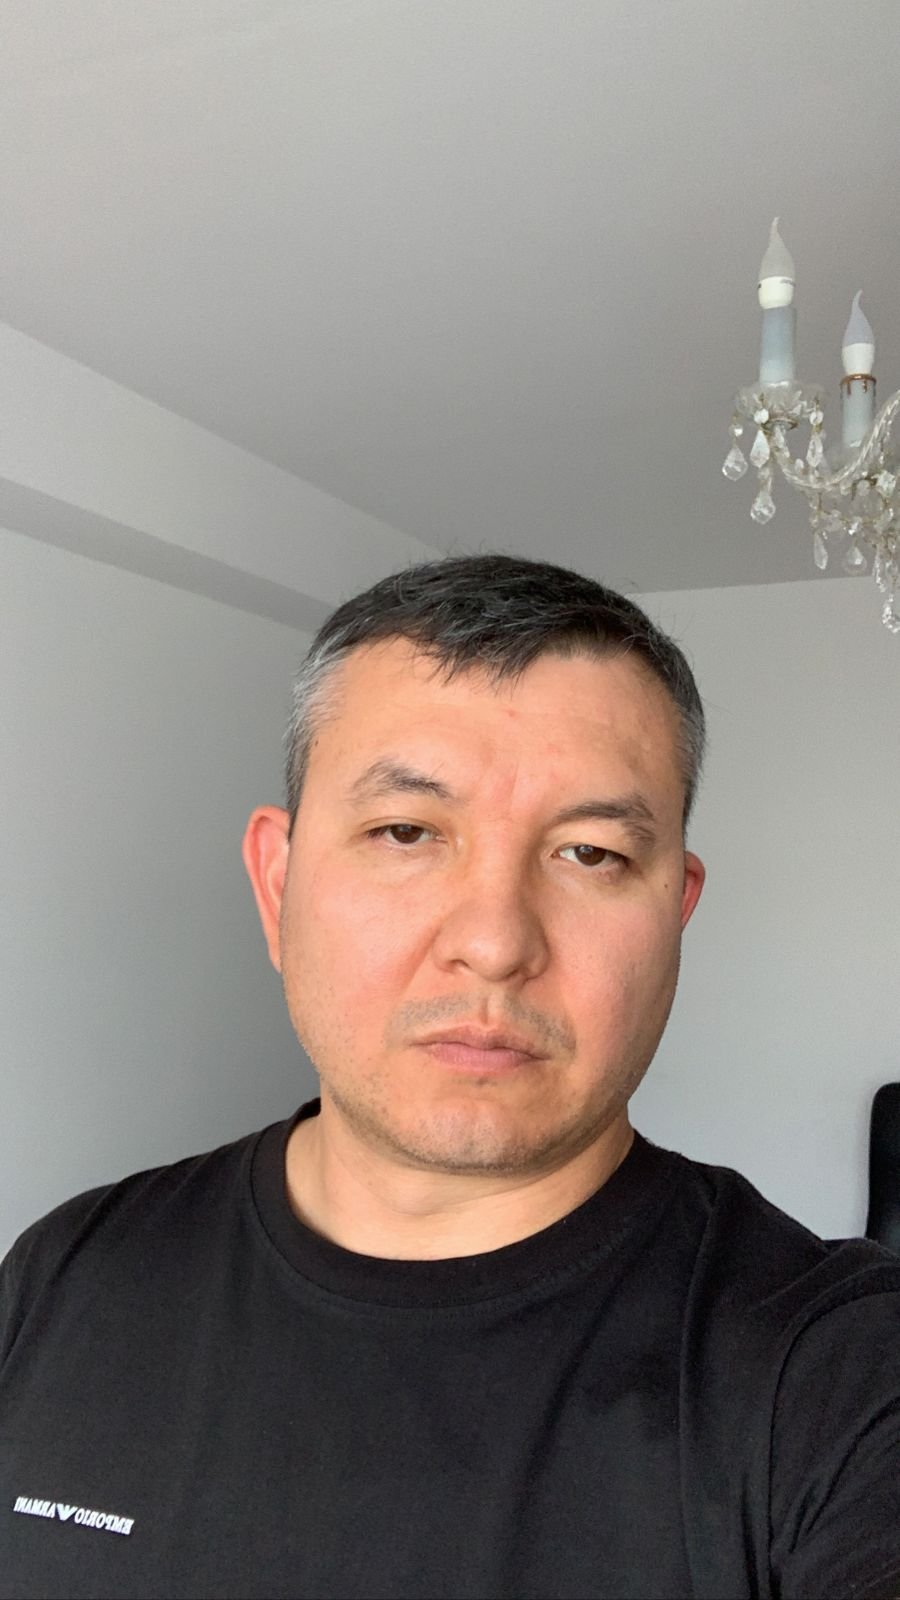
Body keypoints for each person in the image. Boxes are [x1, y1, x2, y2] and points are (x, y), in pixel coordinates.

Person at [2, 552, 899, 1600]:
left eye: (592, 853)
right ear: (277, 885)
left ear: (676, 915)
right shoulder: (64, 1274)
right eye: (407, 832)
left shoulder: (837, 1374)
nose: (495, 943)